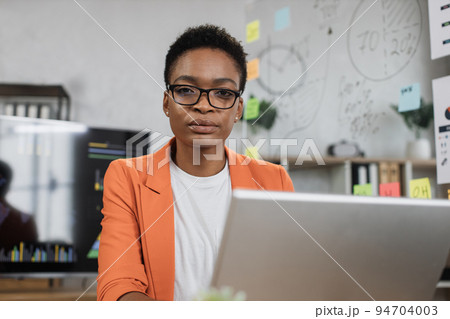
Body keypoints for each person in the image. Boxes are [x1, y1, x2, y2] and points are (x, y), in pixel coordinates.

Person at [97, 24, 294, 301]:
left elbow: (286, 282)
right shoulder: (127, 178)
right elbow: (118, 287)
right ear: (167, 102)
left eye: (223, 93)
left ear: (238, 109)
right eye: (187, 90)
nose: (204, 105)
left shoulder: (274, 181)